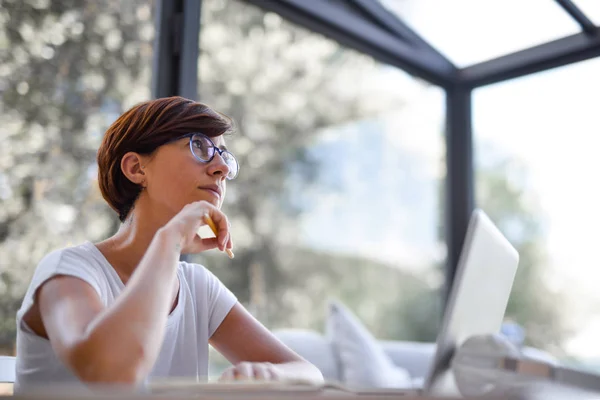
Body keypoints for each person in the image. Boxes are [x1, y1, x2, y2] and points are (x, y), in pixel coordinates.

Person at [14, 96, 323, 392]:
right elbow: (111, 376)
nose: (223, 169)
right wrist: (170, 239)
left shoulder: (198, 288)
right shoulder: (69, 271)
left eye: (224, 155)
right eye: (199, 146)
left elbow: (309, 374)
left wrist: (267, 373)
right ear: (136, 168)